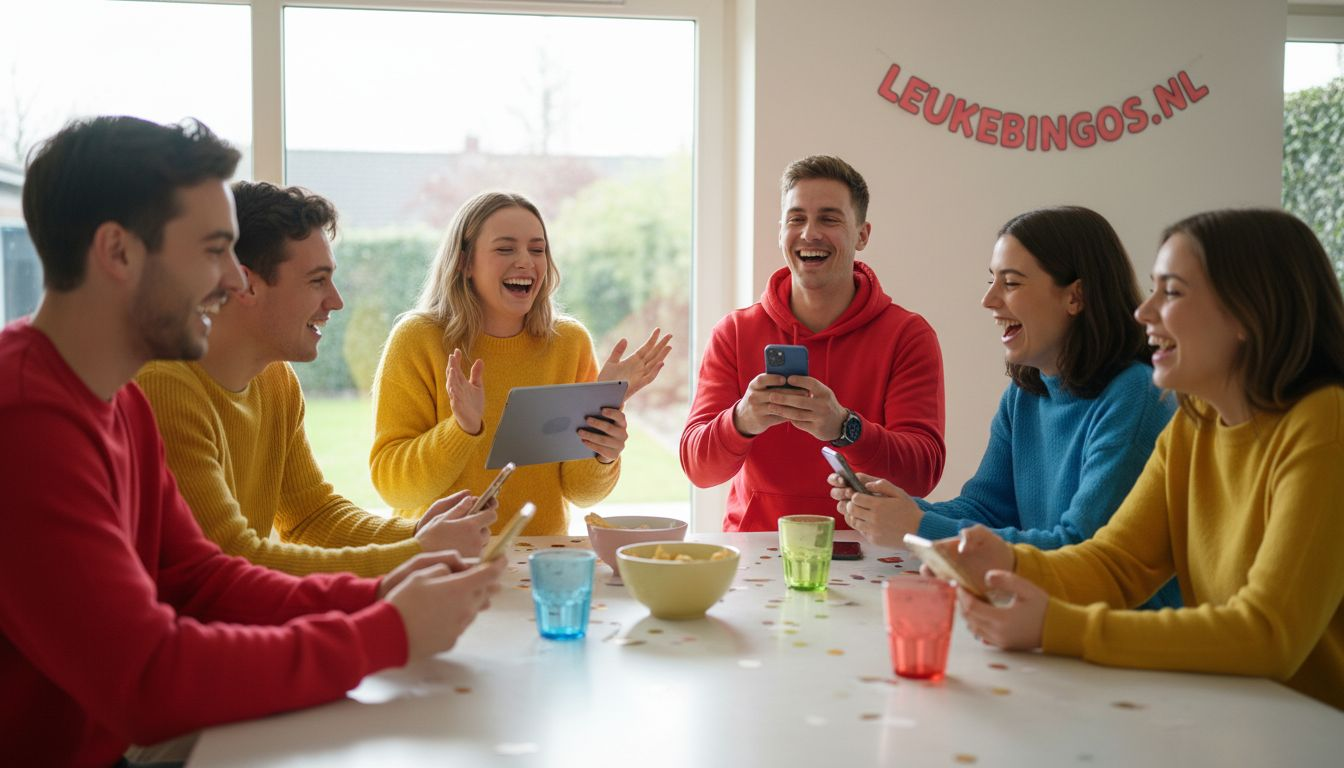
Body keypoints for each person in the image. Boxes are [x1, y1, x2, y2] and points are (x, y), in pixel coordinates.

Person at [0, 116, 505, 765]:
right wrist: (386, 631)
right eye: (213, 251)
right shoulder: (24, 419)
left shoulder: (117, 396)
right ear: (118, 253)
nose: (236, 283)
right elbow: (147, 680)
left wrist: (383, 591)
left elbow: (203, 578)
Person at [940, 209, 1344, 709]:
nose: (1143, 311)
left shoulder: (1325, 426)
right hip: (1230, 711)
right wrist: (1011, 563)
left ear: (1248, 312)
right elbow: (1117, 563)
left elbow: (1267, 634)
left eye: (1171, 292)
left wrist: (1059, 625)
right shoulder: (1194, 422)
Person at [135, 181, 494, 578]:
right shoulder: (163, 387)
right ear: (246, 283)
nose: (336, 301)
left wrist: (418, 535)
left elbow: (311, 516)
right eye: (317, 281)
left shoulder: (276, 380)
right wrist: (415, 553)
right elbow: (230, 561)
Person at [829, 206, 1180, 608]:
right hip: (1046, 621)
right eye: (991, 280)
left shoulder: (1134, 395)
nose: (988, 300)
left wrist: (919, 526)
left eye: (1011, 283)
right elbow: (987, 508)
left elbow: (1079, 548)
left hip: (1120, 639)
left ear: (1075, 296)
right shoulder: (1025, 392)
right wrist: (901, 509)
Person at [370, 191, 671, 535]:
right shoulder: (417, 339)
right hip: (443, 560)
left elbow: (582, 493)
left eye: (537, 249)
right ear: (465, 262)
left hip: (543, 559)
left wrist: (602, 442)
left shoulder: (570, 343)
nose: (526, 261)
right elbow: (393, 486)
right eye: (505, 248)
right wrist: (461, 428)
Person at [680, 155, 946, 531]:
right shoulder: (735, 332)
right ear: (781, 230)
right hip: (759, 549)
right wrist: (742, 420)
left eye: (829, 218)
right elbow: (698, 468)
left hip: (864, 552)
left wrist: (844, 427)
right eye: (796, 218)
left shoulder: (907, 336)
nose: (809, 233)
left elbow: (921, 473)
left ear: (862, 234)